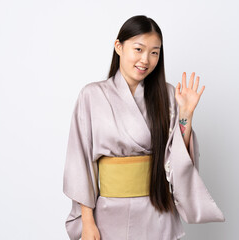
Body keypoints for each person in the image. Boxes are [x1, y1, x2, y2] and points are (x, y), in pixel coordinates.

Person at [63, 15, 225, 240]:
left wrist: (186, 115)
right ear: (119, 47)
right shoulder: (92, 95)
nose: (145, 60)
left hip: (156, 212)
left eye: (154, 52)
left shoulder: (168, 95)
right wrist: (88, 222)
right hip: (109, 213)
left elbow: (176, 157)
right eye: (138, 49)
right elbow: (79, 162)